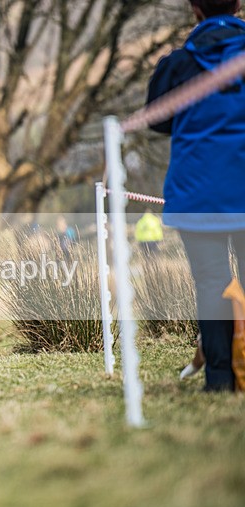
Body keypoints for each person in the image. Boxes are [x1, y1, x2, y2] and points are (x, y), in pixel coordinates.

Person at [147, 0, 245, 391]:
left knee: (211, 282)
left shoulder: (177, 65)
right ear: (238, 5)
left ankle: (220, 379)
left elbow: (158, 120)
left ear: (194, 9)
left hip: (198, 191)